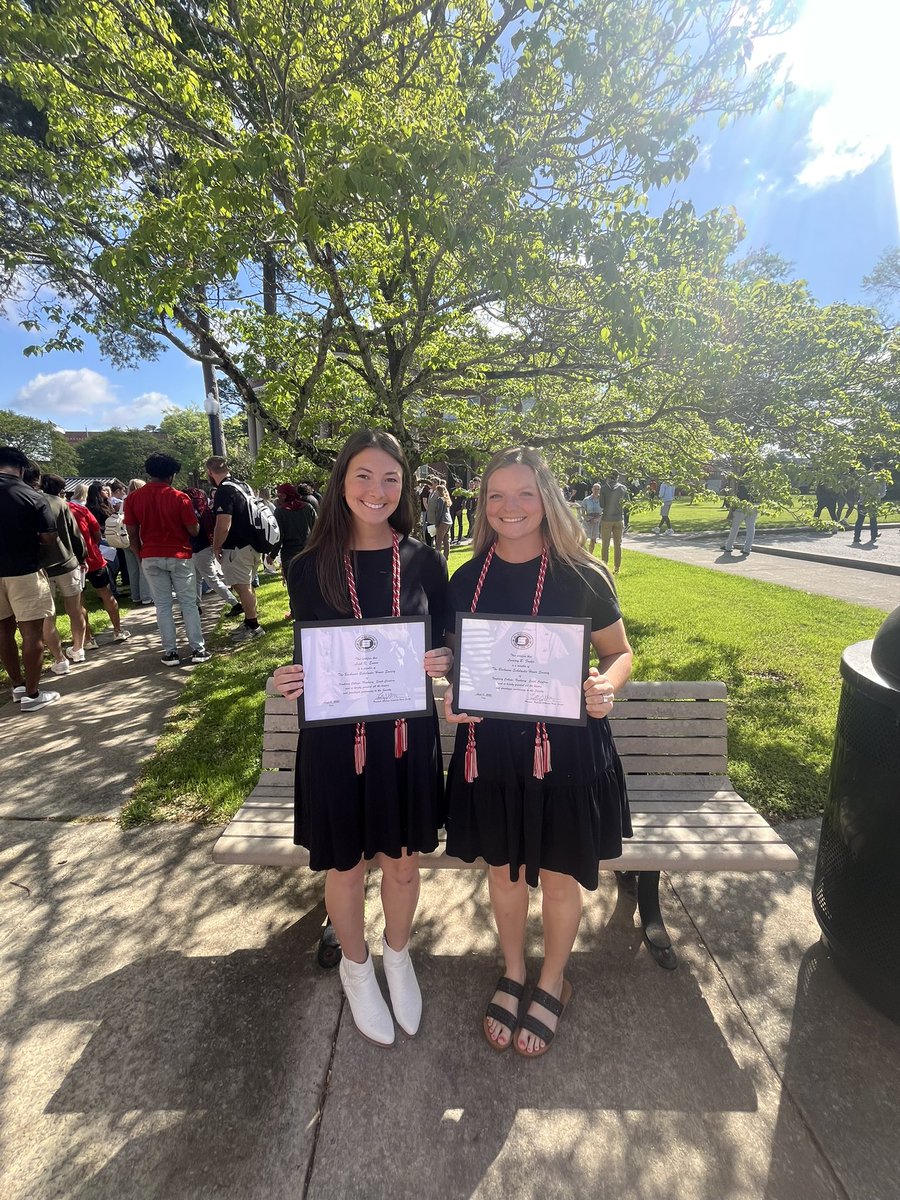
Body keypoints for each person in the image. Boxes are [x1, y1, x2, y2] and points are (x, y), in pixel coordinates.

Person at [443, 446, 632, 1057]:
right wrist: (452, 689)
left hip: (566, 751)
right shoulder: (466, 578)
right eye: (496, 495)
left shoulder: (583, 574)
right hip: (492, 750)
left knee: (555, 875)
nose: (510, 506)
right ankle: (514, 971)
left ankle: (553, 979)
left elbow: (619, 653)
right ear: (483, 505)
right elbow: (461, 663)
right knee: (504, 872)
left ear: (546, 499)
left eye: (524, 493)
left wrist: (607, 686)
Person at [272, 430, 451, 1047]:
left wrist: (443, 660)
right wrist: (287, 676)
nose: (377, 491)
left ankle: (397, 956)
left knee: (403, 865)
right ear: (342, 482)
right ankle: (356, 965)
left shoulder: (426, 560)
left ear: (404, 488)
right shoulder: (306, 566)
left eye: (391, 479)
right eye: (364, 477)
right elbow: (309, 648)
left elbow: (448, 641)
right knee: (345, 865)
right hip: (335, 743)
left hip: (406, 738)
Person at [123, 454, 209, 666]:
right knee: (188, 603)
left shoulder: (133, 498)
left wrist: (139, 553)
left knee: (162, 606)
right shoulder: (180, 497)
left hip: (150, 555)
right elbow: (193, 529)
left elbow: (132, 532)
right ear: (171, 475)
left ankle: (170, 652)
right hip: (179, 554)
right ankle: (198, 649)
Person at [0, 448, 62, 710]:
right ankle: (33, 694)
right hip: (24, 569)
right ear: (22, 469)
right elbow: (49, 536)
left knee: (3, 631)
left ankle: (17, 685)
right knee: (31, 632)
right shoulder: (31, 495)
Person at [23, 468, 88, 676]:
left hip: (41, 567)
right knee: (75, 609)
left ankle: (60, 659)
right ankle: (78, 649)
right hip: (67, 562)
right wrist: (82, 557)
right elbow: (75, 534)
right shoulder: (61, 503)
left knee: (47, 617)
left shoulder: (28, 502)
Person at [206, 455, 265, 641]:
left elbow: (223, 524)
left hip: (237, 547)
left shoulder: (223, 490)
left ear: (209, 471)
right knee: (246, 586)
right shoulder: (243, 485)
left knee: (242, 587)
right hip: (253, 544)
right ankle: (250, 620)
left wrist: (216, 546)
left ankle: (254, 626)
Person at [67, 491, 131, 647]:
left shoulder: (52, 510)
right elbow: (96, 533)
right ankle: (118, 630)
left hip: (70, 562)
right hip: (93, 558)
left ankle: (88, 639)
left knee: (78, 601)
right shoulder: (80, 509)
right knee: (106, 593)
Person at [183, 486, 238, 610]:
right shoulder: (205, 510)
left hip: (199, 547)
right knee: (197, 579)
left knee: (211, 579)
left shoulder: (193, 511)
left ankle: (235, 603)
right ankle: (196, 605)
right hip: (204, 546)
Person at [121, 479, 153, 605]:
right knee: (143, 567)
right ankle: (146, 596)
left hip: (124, 537)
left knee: (132, 569)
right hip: (137, 535)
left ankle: (136, 595)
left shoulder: (125, 500)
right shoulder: (141, 500)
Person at [274, 483, 317, 572]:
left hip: (290, 554)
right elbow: (318, 528)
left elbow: (279, 535)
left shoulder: (280, 511)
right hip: (308, 551)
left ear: (285, 495)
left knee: (293, 582)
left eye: (280, 495)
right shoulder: (307, 507)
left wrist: (272, 555)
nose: (278, 498)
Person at [598, 471, 629, 574]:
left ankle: (605, 565)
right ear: (618, 477)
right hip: (619, 518)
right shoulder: (623, 488)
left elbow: (602, 504)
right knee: (618, 545)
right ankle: (617, 568)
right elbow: (627, 503)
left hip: (607, 518)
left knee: (605, 544)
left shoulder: (604, 488)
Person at [853, 466, 888, 545]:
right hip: (873, 502)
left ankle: (856, 537)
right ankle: (873, 535)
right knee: (873, 519)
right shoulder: (881, 479)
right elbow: (883, 493)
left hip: (862, 501)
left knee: (860, 520)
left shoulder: (866, 476)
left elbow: (858, 483)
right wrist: (877, 496)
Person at [723, 480, 759, 555]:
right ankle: (747, 548)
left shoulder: (741, 481)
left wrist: (732, 510)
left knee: (735, 527)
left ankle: (729, 546)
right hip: (754, 505)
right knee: (751, 527)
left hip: (741, 505)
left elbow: (736, 494)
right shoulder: (757, 479)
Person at [426, 481, 452, 559]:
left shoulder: (441, 500)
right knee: (446, 539)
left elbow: (439, 513)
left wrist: (437, 524)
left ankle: (437, 557)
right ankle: (446, 556)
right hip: (448, 521)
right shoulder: (446, 499)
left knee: (439, 540)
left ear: (439, 491)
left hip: (443, 521)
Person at [580, 483, 603, 552]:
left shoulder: (602, 500)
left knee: (593, 539)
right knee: (584, 538)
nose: (596, 490)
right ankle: (583, 553)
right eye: (595, 489)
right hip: (588, 520)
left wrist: (598, 519)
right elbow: (583, 512)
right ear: (592, 489)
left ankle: (590, 554)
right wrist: (587, 519)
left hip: (597, 520)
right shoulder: (586, 500)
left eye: (598, 489)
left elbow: (603, 511)